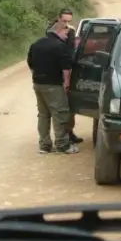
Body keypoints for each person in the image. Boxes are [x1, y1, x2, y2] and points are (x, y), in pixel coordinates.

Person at [27, 21, 78, 154]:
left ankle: (44, 145)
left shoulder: (36, 44)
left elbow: (30, 63)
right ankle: (62, 144)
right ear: (59, 31)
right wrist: (66, 83)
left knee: (43, 115)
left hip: (38, 84)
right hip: (54, 85)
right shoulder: (60, 46)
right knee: (60, 113)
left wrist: (37, 76)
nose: (67, 37)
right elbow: (66, 68)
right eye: (66, 34)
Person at [46, 8, 83, 145]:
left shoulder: (71, 31)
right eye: (64, 20)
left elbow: (70, 53)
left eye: (69, 20)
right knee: (53, 107)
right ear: (58, 18)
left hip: (66, 70)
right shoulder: (50, 31)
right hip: (53, 72)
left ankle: (68, 132)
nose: (66, 23)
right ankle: (59, 137)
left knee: (67, 105)